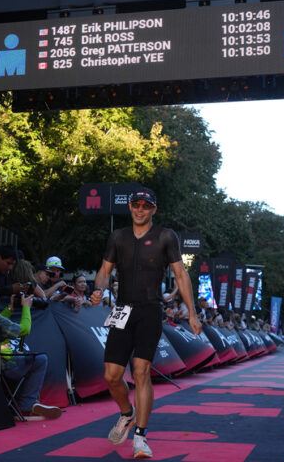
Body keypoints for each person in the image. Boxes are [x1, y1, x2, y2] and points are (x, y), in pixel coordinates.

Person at [90, 188, 201, 459]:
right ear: (130, 207)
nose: (140, 209)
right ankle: (127, 415)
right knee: (111, 376)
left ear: (154, 209)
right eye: (136, 205)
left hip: (151, 310)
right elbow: (104, 272)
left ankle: (140, 435)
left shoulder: (165, 236)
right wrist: (98, 289)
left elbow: (181, 273)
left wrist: (192, 311)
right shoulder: (118, 237)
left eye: (145, 205)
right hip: (122, 310)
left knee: (141, 372)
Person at [0, 284, 61, 420]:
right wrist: (26, 308)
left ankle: (25, 402)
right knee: (40, 359)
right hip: (7, 365)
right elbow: (23, 330)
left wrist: (10, 308)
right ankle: (27, 404)